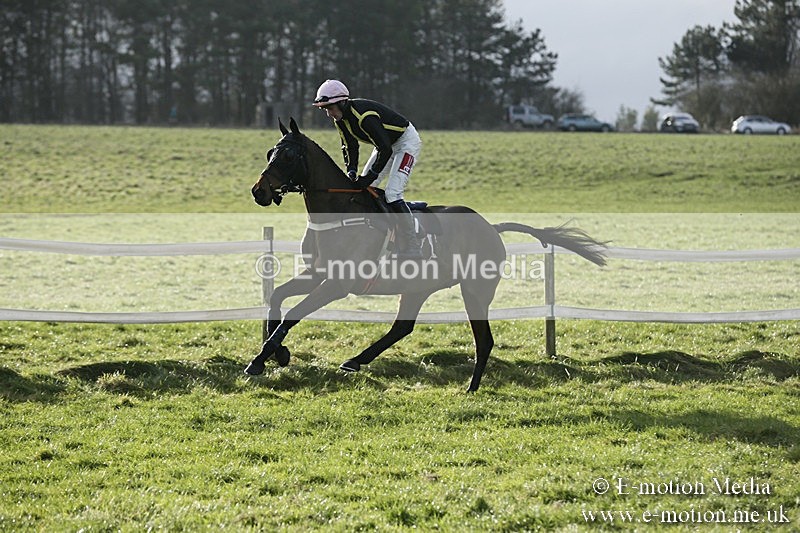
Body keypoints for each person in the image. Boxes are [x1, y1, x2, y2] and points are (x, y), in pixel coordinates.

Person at [312, 79, 422, 259]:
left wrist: (371, 175)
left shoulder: (365, 116)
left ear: (342, 102)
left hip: (405, 143)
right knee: (361, 189)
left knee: (393, 194)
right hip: (385, 146)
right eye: (325, 109)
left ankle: (413, 245)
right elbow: (349, 146)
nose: (328, 113)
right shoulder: (341, 120)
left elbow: (385, 149)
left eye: (330, 108)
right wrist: (352, 171)